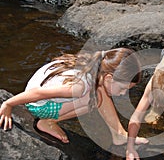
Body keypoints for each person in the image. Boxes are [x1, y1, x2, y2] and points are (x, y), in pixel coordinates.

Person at [0, 48, 149, 145]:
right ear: (109, 77)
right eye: (123, 88)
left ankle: (119, 134)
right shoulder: (79, 87)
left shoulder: (93, 66)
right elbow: (37, 94)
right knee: (95, 98)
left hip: (43, 93)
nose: (123, 94)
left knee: (99, 91)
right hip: (38, 105)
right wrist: (8, 104)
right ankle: (48, 122)